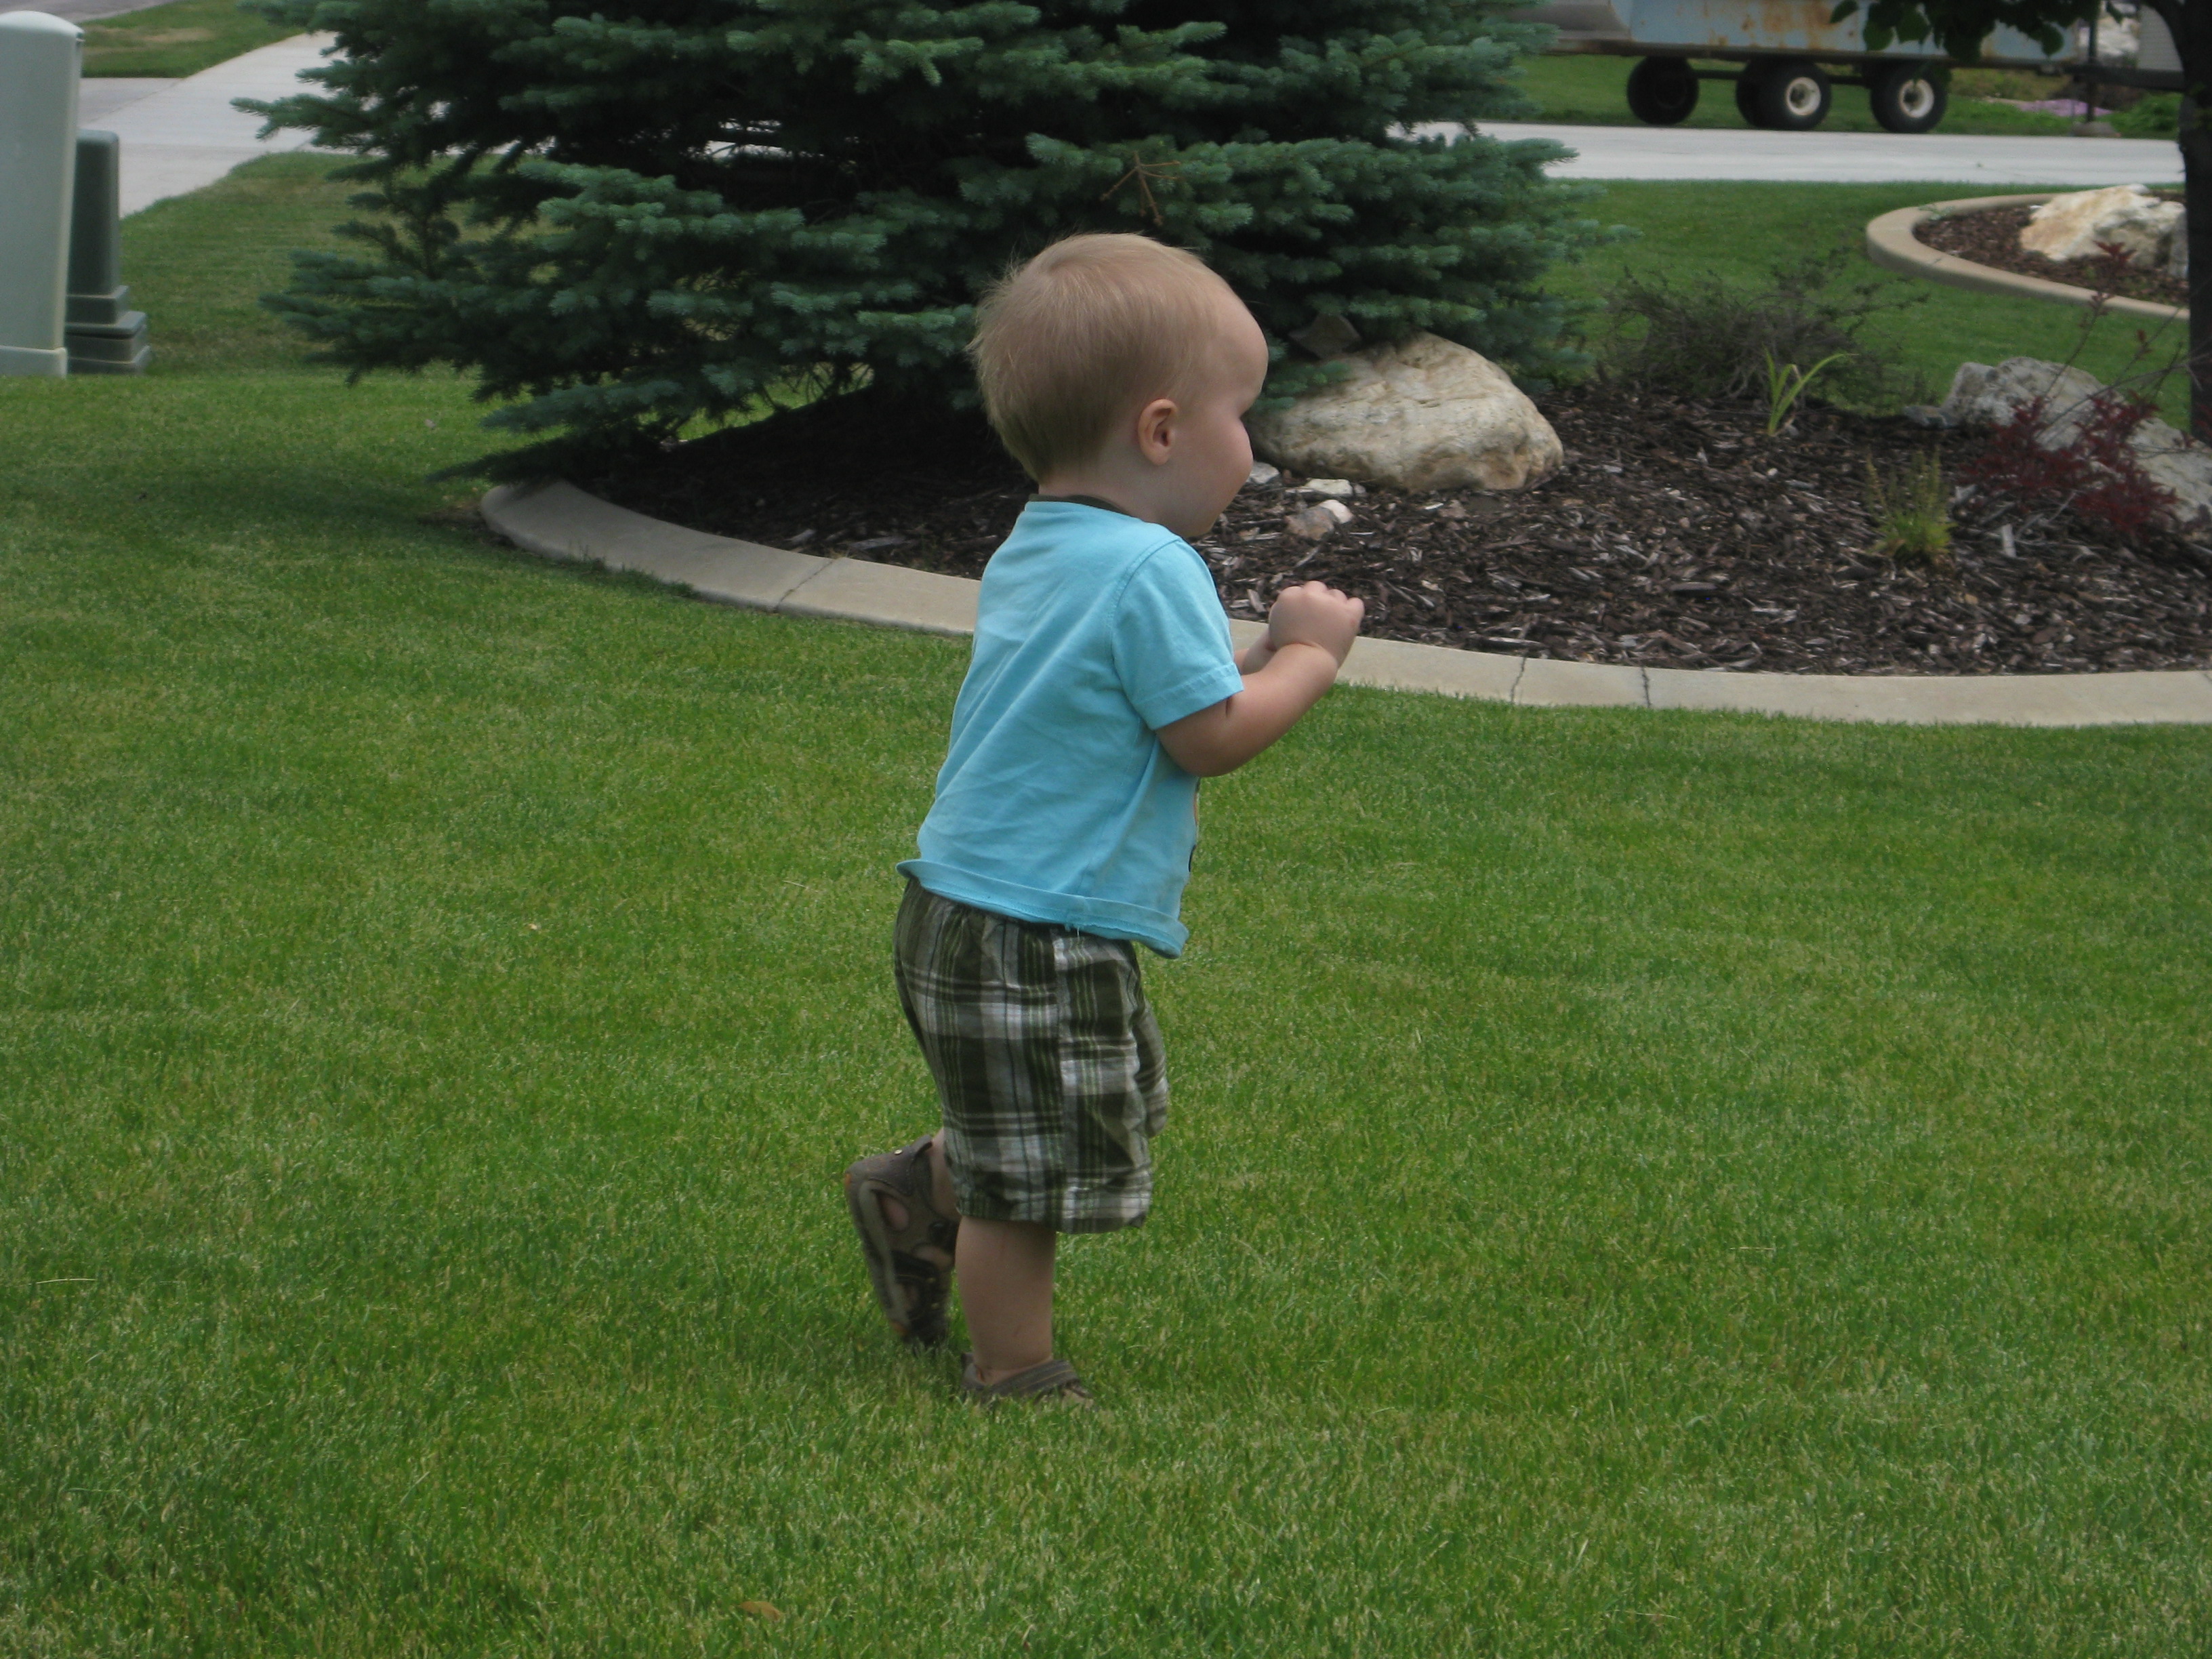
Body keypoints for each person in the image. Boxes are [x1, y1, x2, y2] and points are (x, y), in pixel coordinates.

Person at [844, 232, 1364, 1405]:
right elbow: (1209, 733)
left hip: (963, 904)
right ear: (1164, 430)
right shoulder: (1152, 567)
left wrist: (1259, 653)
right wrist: (1312, 660)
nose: (1255, 447)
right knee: (1033, 1175)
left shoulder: (1046, 541)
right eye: (1244, 417)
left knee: (1067, 1114)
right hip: (1036, 923)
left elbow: (1146, 693)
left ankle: (917, 1190)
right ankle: (1013, 1368)